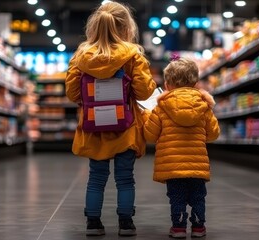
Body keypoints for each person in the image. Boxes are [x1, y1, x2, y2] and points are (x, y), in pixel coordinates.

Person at [65, 1, 157, 237]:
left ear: (94, 27)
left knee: (96, 177)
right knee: (125, 178)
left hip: (94, 127)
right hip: (125, 128)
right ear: (127, 27)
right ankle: (126, 222)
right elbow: (145, 92)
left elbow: (72, 93)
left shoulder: (81, 56)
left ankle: (93, 223)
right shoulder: (133, 55)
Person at [143, 57, 220, 238]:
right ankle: (199, 227)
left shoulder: (161, 107)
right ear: (195, 82)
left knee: (176, 197)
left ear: (168, 84)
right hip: (197, 164)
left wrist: (147, 116)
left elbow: (150, 135)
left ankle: (178, 228)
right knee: (198, 197)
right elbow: (214, 133)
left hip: (172, 164)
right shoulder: (204, 106)